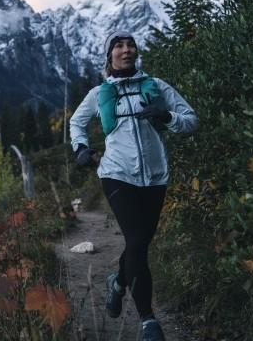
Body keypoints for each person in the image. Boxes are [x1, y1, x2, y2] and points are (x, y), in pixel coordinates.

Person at [68, 30, 198, 341]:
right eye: (119, 46)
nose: (126, 50)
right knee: (137, 242)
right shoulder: (99, 93)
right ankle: (148, 321)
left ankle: (118, 282)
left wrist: (167, 116)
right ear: (109, 55)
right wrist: (81, 148)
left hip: (155, 177)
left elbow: (191, 120)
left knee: (138, 245)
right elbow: (76, 122)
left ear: (136, 52)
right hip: (116, 175)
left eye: (130, 45)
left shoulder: (157, 87)